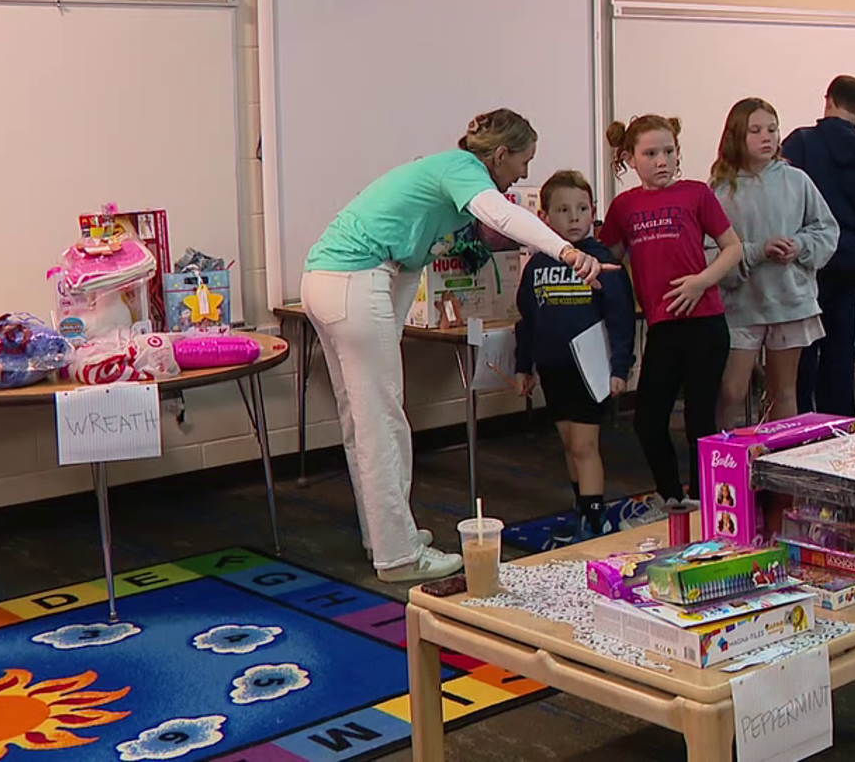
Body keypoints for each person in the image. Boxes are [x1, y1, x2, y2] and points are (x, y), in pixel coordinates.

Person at [301, 109, 602, 582]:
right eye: (524, 161)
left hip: (328, 281)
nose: (525, 174)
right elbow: (502, 214)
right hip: (353, 282)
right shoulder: (463, 170)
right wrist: (566, 250)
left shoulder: (441, 174)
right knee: (381, 421)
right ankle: (399, 556)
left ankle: (384, 536)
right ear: (500, 155)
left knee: (363, 421)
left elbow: (407, 264)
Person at [601, 114, 743, 509]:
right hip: (663, 326)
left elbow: (733, 248)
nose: (661, 160)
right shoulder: (624, 206)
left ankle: (706, 499)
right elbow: (609, 261)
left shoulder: (696, 194)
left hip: (705, 323)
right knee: (648, 418)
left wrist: (700, 281)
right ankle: (670, 495)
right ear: (630, 158)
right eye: (650, 153)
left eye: (668, 151)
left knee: (700, 419)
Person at [513, 170, 636, 544]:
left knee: (585, 446)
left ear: (593, 212)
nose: (574, 217)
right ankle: (581, 509)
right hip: (554, 369)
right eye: (564, 210)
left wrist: (620, 368)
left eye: (582, 209)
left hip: (590, 370)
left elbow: (621, 318)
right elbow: (528, 320)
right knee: (569, 445)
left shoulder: (603, 263)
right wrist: (523, 367)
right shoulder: (536, 266)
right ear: (545, 218)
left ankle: (597, 520)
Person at [710, 98, 839, 427]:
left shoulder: (797, 180)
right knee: (730, 391)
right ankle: (724, 464)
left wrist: (800, 246)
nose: (766, 137)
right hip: (742, 304)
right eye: (755, 130)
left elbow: (826, 229)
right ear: (737, 136)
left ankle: (781, 464)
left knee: (783, 391)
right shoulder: (721, 190)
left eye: (772, 129)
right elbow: (710, 252)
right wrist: (756, 251)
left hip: (789, 301)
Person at [782, 75, 855, 417]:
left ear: (827, 100)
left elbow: (782, 200)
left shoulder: (800, 144)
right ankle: (841, 432)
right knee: (840, 358)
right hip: (847, 263)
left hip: (805, 263)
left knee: (802, 357)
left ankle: (799, 430)